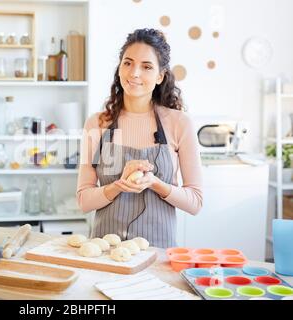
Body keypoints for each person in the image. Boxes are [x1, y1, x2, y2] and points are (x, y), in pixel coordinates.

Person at [76, 28, 203, 248]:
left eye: (146, 67)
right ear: (119, 69)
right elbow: (84, 201)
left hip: (158, 252)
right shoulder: (97, 123)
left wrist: (155, 183)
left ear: (160, 76)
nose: (134, 73)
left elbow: (195, 202)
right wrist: (119, 186)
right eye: (128, 63)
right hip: (106, 250)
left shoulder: (179, 123)